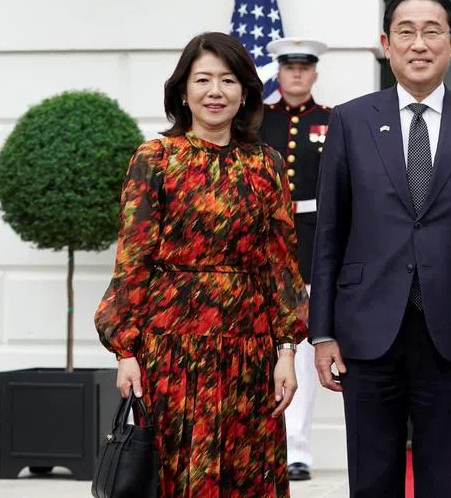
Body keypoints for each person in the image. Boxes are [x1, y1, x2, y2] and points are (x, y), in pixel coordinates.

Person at [309, 0, 451, 498]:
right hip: (367, 328)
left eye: (432, 33)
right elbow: (329, 231)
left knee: (444, 478)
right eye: (406, 32)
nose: (419, 44)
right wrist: (322, 332)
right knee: (372, 476)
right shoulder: (351, 120)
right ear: (386, 43)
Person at [94, 31, 309, 496]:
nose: (216, 92)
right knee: (175, 473)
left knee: (245, 473)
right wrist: (125, 352)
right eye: (203, 80)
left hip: (249, 352)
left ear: (246, 92)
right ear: (183, 91)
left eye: (228, 80)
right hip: (171, 352)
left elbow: (281, 266)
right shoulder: (155, 159)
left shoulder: (266, 164)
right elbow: (133, 261)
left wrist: (287, 350)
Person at [260, 36, 331, 482]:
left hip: (310, 245)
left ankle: (297, 450)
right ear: (279, 73)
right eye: (290, 68)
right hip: (265, 245)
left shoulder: (332, 121)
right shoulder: (257, 121)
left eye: (305, 68)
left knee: (302, 353)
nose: (297, 74)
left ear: (314, 73)